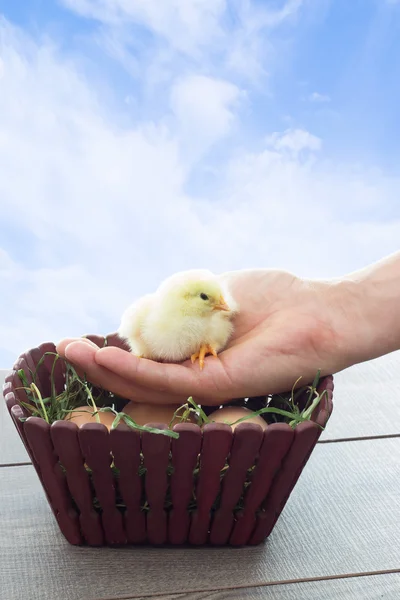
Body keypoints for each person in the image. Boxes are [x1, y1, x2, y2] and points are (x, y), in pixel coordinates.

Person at [56, 251, 400, 406]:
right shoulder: (149, 314)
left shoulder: (214, 321)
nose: (224, 307)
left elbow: (219, 323)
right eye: (209, 299)